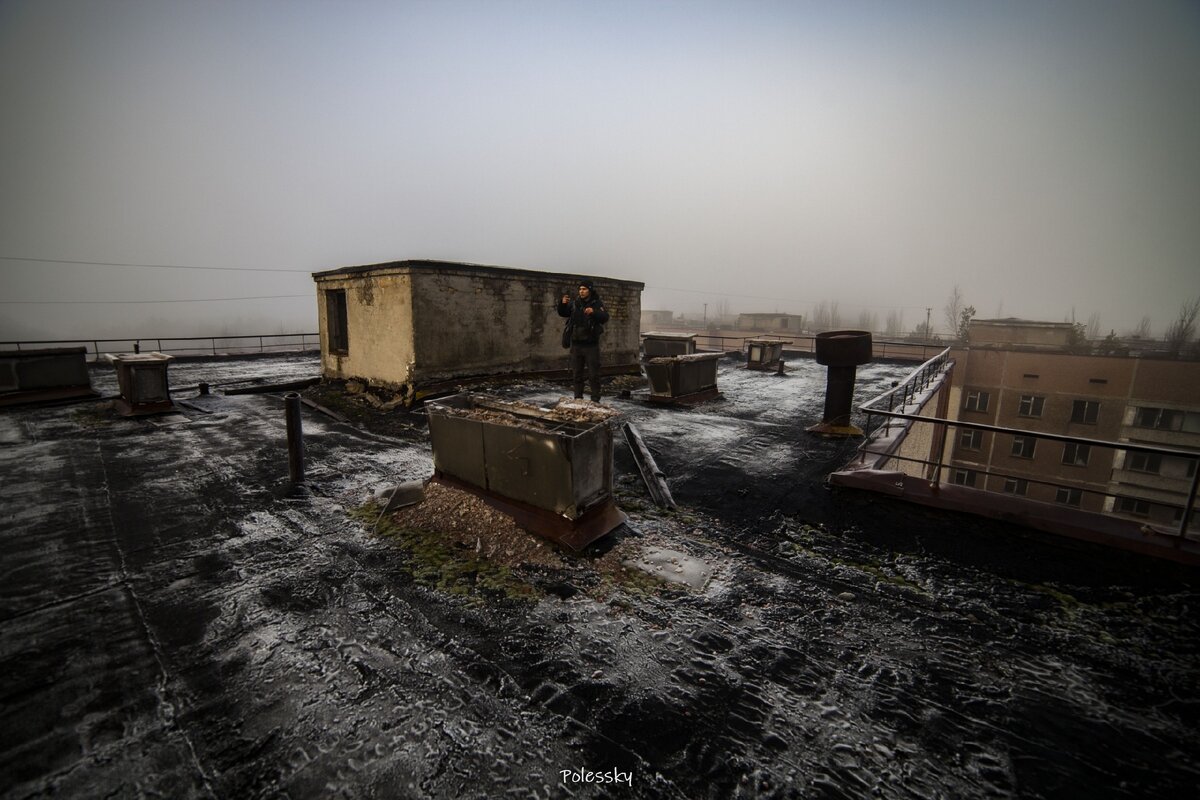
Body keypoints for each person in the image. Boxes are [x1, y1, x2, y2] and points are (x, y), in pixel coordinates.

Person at [557, 279, 610, 402]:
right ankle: (578, 398)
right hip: (576, 345)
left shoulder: (596, 303)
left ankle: (595, 399)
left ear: (590, 290)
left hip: (591, 345)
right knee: (577, 375)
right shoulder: (575, 303)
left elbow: (605, 317)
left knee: (593, 375)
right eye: (580, 289)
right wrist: (562, 304)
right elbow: (563, 313)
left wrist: (594, 312)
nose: (581, 291)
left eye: (584, 289)